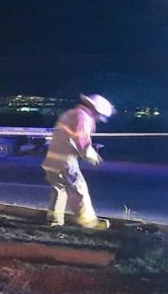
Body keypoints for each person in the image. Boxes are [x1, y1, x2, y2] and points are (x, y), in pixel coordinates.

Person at [41, 94, 114, 230]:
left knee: (59, 190)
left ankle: (54, 221)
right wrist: (91, 155)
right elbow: (82, 141)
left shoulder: (70, 114)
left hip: (51, 159)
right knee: (79, 189)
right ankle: (89, 223)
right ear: (94, 110)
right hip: (65, 160)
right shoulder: (83, 118)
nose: (99, 120)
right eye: (99, 116)